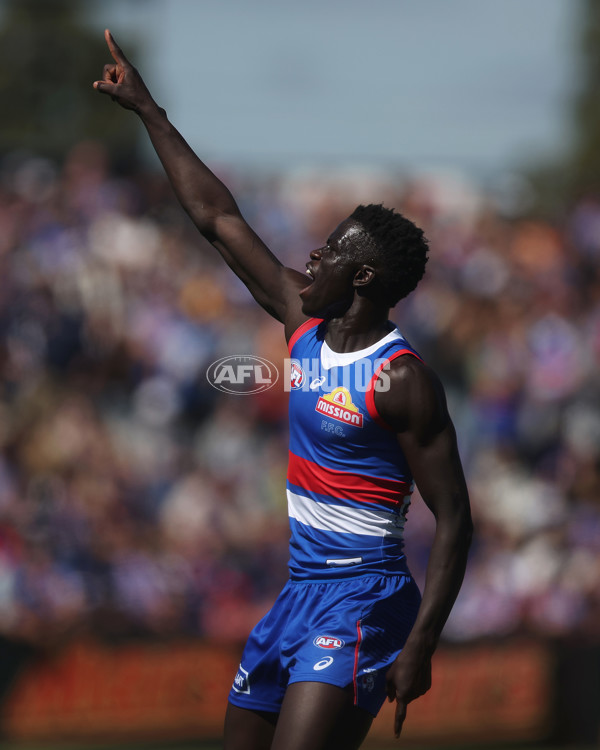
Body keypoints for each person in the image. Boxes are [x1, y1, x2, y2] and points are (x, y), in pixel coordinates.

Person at [94, 29, 472, 750]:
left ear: (361, 277)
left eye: (329, 251)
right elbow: (218, 219)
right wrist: (149, 111)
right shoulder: (304, 321)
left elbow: (454, 518)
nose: (312, 256)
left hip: (365, 600)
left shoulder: (402, 381)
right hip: (297, 595)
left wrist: (422, 644)